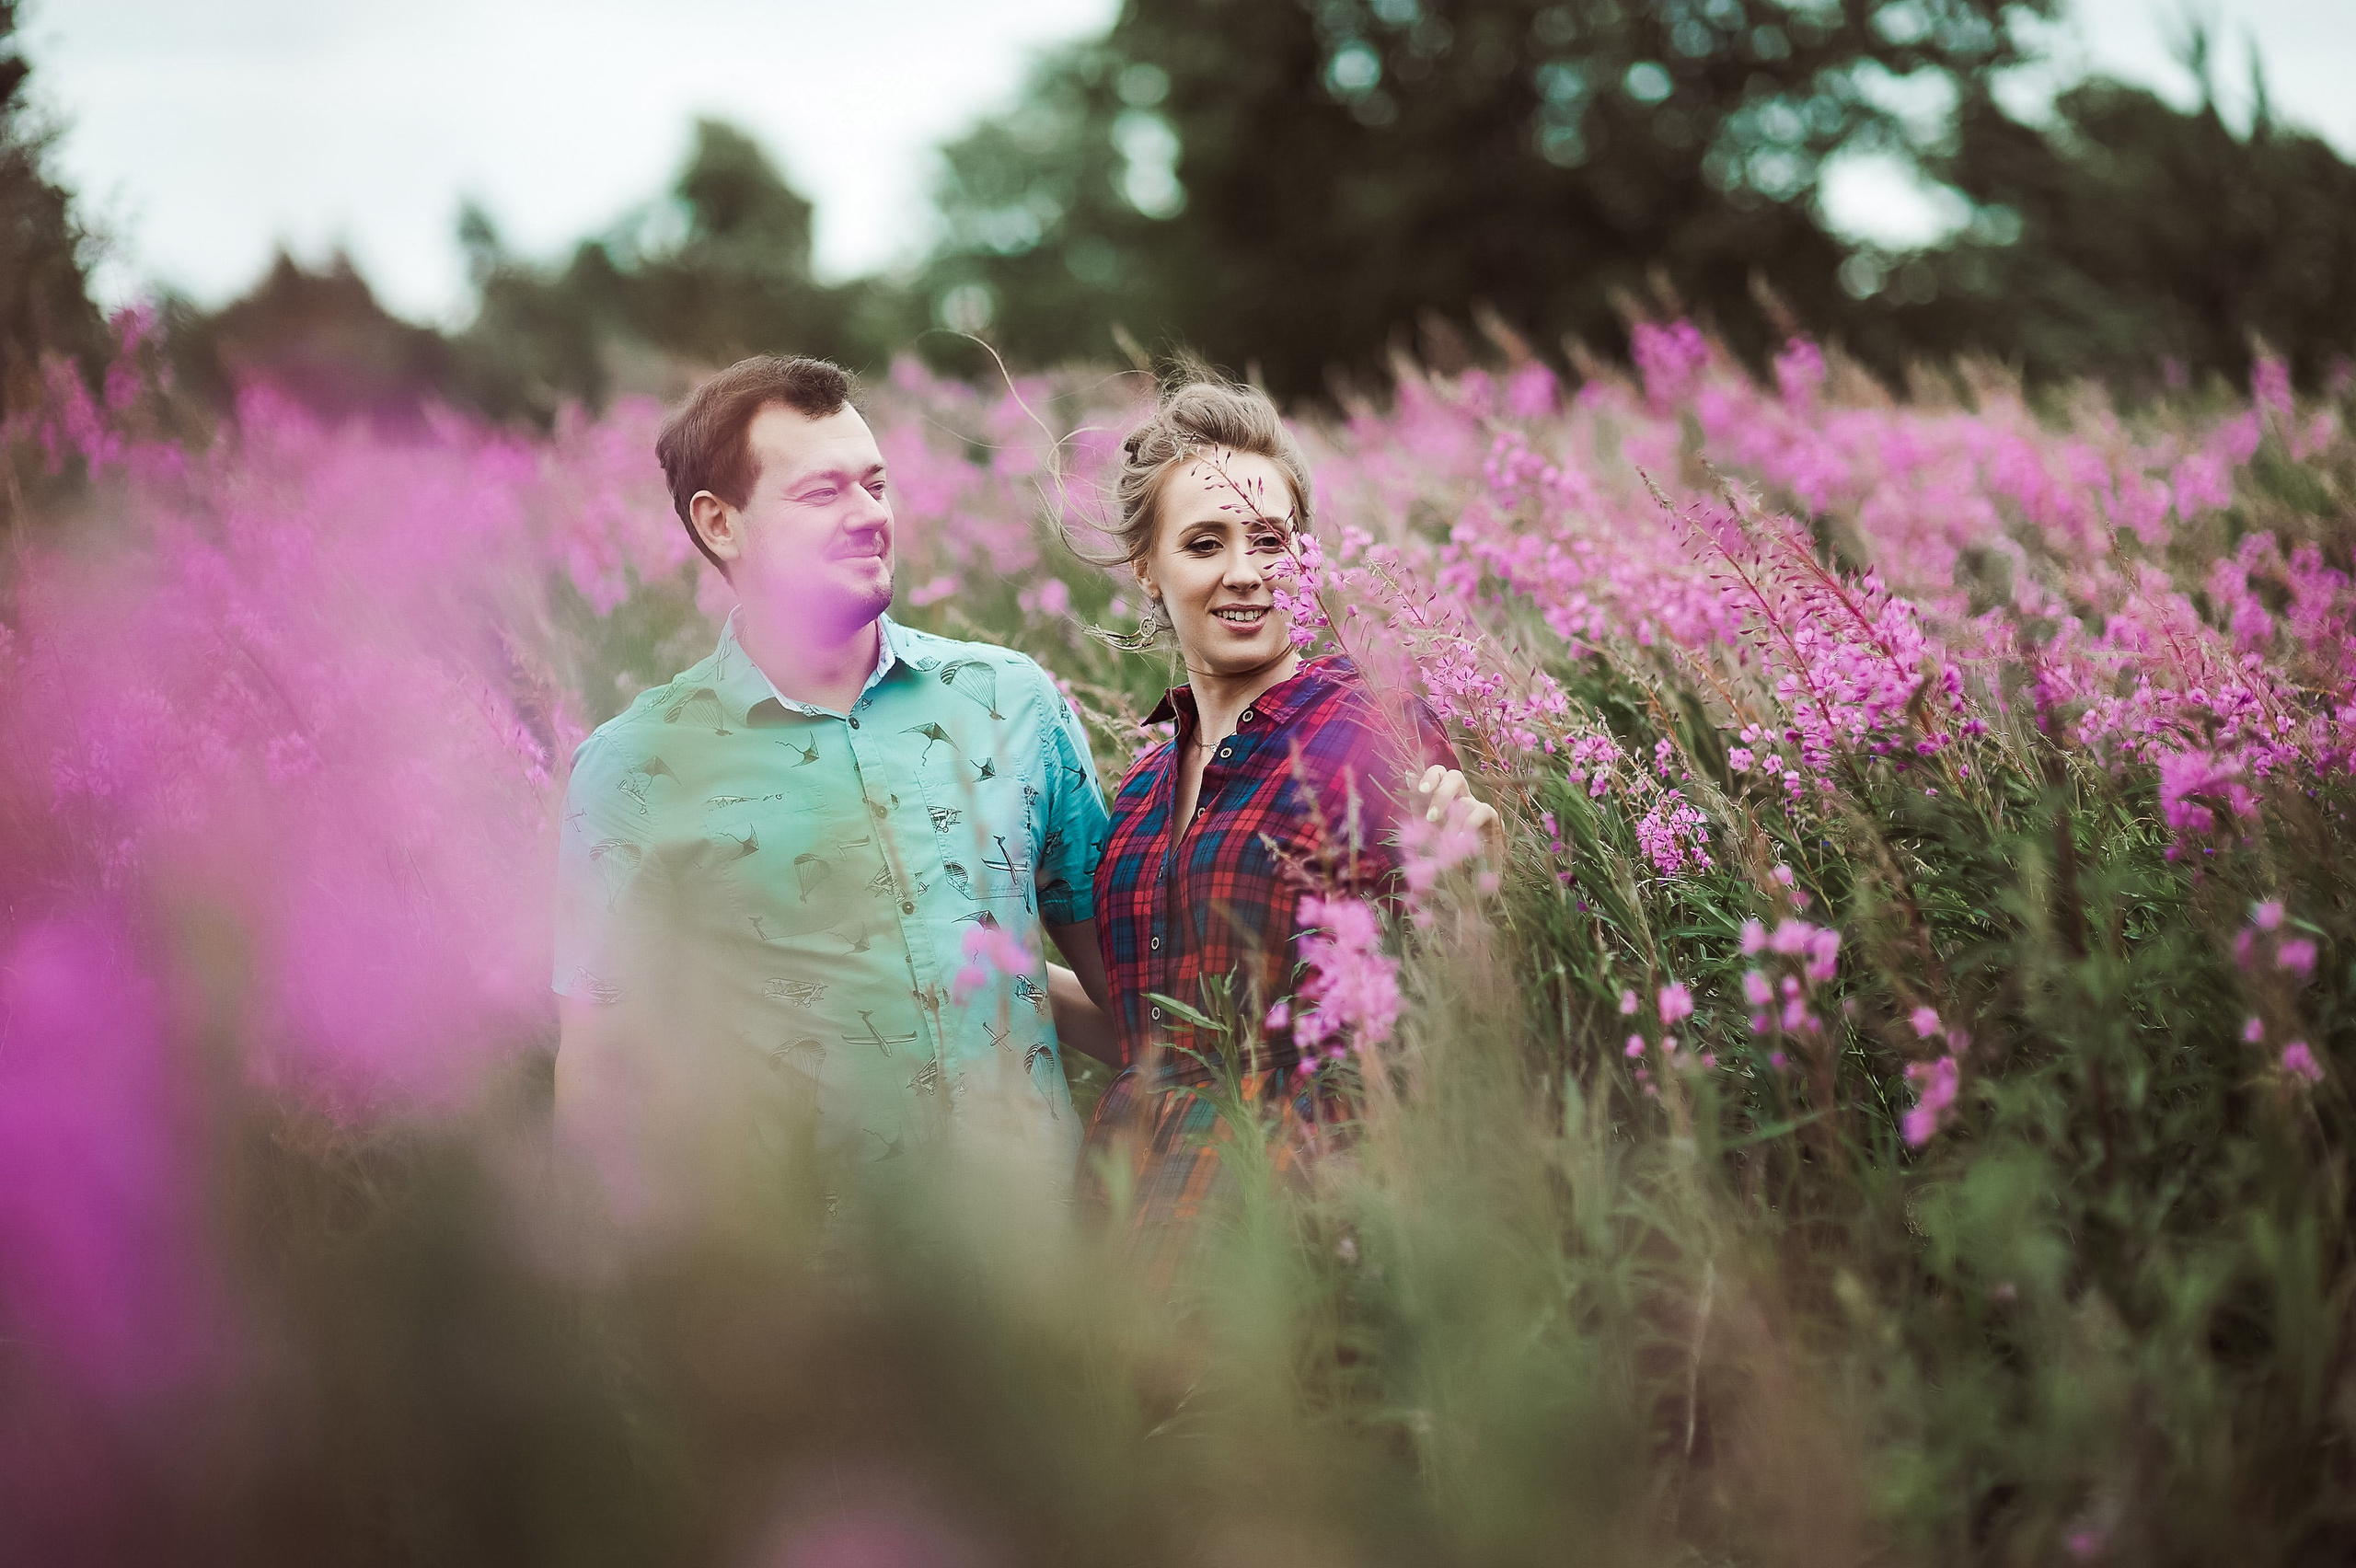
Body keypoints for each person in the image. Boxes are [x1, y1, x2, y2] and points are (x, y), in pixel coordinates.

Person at [551, 355, 1116, 1223]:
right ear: (720, 524)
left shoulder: (1012, 704)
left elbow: (1129, 991)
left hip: (1042, 1277)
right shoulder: (636, 768)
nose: (870, 517)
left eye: (876, 483)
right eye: (822, 493)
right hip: (804, 1318)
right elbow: (602, 1077)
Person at [1055, 373, 1496, 1261]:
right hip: (1133, 1202)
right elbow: (1153, 1033)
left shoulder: (1369, 726)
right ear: (1146, 564)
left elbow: (1454, 992)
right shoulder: (1142, 791)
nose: (1246, 573)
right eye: (1205, 543)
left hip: (1291, 1210)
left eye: (1271, 540)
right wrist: (996, 978)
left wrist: (1480, 880)